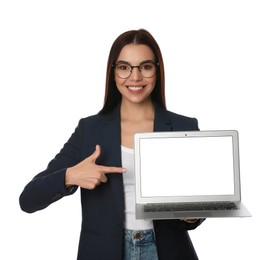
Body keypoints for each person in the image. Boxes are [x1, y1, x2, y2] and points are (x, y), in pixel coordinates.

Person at [19, 29, 205, 260]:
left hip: (167, 252)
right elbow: (27, 200)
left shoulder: (183, 126)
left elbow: (199, 203)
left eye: (145, 67)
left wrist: (192, 215)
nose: (135, 77)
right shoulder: (90, 130)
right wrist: (70, 176)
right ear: (113, 72)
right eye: (124, 67)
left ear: (157, 71)